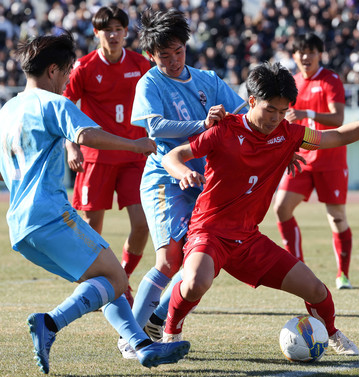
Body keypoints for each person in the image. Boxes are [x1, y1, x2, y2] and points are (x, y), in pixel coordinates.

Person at [160, 62, 359, 358]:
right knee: (194, 282)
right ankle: (171, 331)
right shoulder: (225, 129)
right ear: (252, 101)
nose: (276, 118)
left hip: (249, 240)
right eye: (271, 110)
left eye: (283, 111)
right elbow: (174, 155)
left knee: (318, 291)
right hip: (210, 232)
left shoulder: (289, 134)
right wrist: (183, 173)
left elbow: (337, 136)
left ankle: (331, 333)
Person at [0, 32, 189, 374]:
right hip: (50, 215)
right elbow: (85, 135)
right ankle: (50, 323)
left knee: (100, 283)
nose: (70, 77)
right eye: (68, 70)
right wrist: (135, 145)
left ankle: (142, 346)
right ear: (54, 70)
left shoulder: (8, 109)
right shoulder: (52, 103)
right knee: (116, 278)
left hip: (20, 226)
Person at [117, 7, 247, 358]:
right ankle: (130, 335)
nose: (174, 61)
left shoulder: (209, 80)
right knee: (168, 261)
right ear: (150, 55)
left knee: (200, 261)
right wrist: (203, 125)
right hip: (164, 179)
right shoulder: (150, 83)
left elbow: (242, 116)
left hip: (203, 182)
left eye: (179, 52)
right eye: (164, 55)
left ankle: (157, 320)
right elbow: (155, 128)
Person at [64, 6, 152, 307]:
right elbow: (65, 107)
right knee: (90, 230)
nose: (113, 35)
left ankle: (121, 280)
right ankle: (98, 287)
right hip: (96, 159)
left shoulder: (141, 64)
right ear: (96, 32)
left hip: (132, 157)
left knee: (142, 224)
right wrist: (71, 145)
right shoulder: (84, 67)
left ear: (126, 32)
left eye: (118, 29)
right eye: (107, 30)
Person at [273, 33, 353, 289]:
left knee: (337, 218)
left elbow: (337, 118)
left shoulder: (330, 80)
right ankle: (298, 267)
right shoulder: (292, 83)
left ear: (320, 53)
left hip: (330, 160)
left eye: (310, 51)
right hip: (301, 159)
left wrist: (306, 112)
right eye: (300, 52)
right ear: (294, 56)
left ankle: (343, 274)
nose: (305, 56)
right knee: (281, 208)